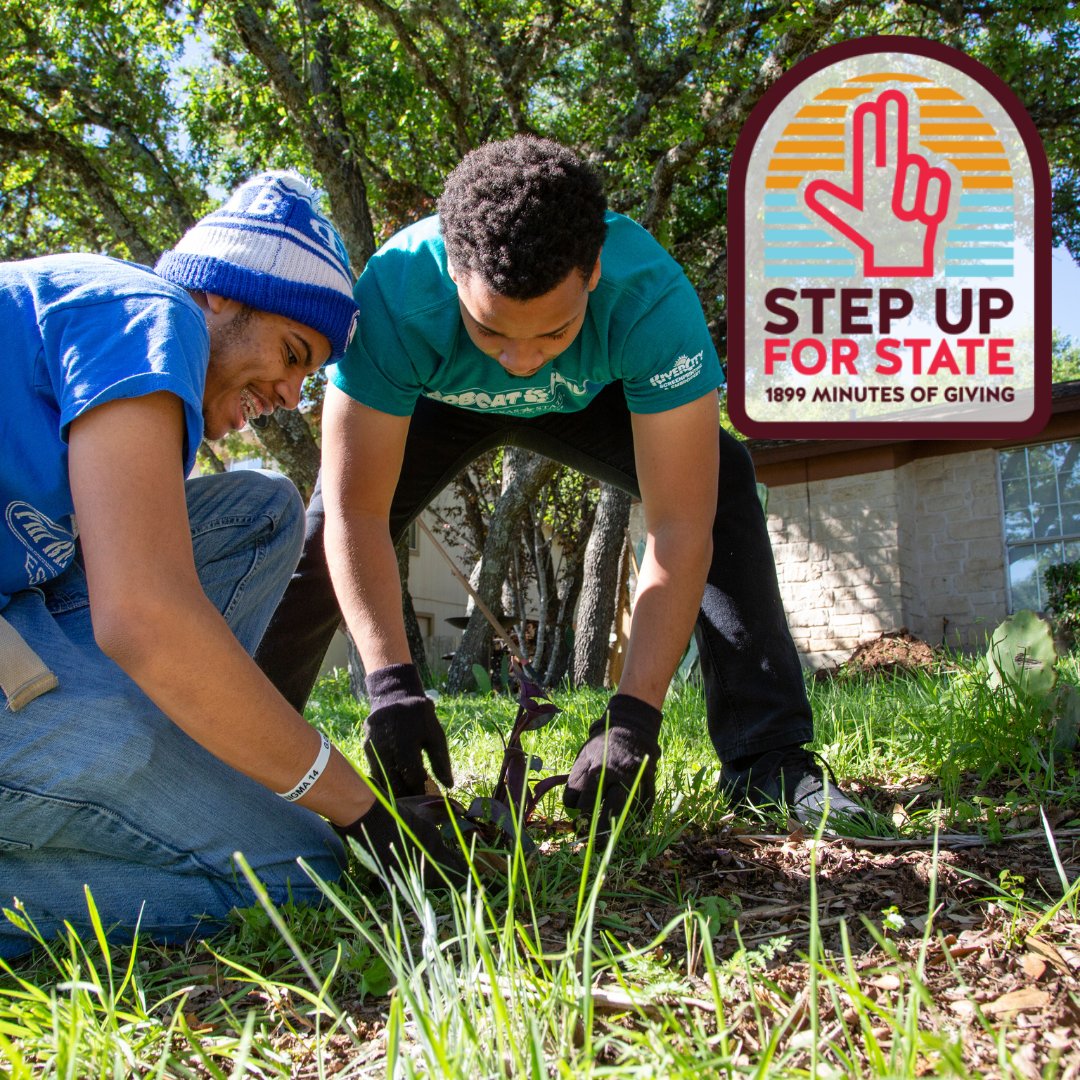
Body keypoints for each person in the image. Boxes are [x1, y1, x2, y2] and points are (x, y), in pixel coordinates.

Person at [255, 137, 867, 830]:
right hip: (438, 400)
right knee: (318, 530)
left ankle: (769, 761)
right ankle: (234, 759)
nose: (521, 362)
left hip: (589, 399)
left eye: (554, 330)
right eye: (492, 332)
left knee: (721, 479)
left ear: (595, 272)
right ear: (453, 273)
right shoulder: (395, 296)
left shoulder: (651, 300)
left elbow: (678, 527)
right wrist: (391, 688)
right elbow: (357, 514)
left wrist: (634, 717)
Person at [0, 171, 462, 962]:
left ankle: (175, 755)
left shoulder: (105, 333)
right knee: (304, 872)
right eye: (291, 353)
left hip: (22, 618)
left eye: (306, 372)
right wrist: (359, 809)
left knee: (264, 509)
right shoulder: (151, 313)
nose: (289, 393)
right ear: (218, 294)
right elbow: (143, 618)